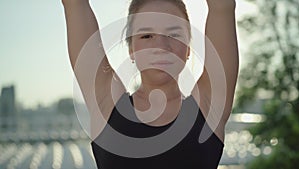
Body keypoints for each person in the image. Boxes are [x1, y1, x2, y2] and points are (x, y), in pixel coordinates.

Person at [62, 0, 239, 168]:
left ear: (188, 49)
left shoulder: (209, 107)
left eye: (173, 35)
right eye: (147, 36)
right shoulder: (107, 105)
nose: (161, 46)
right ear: (131, 49)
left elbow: (221, 7)